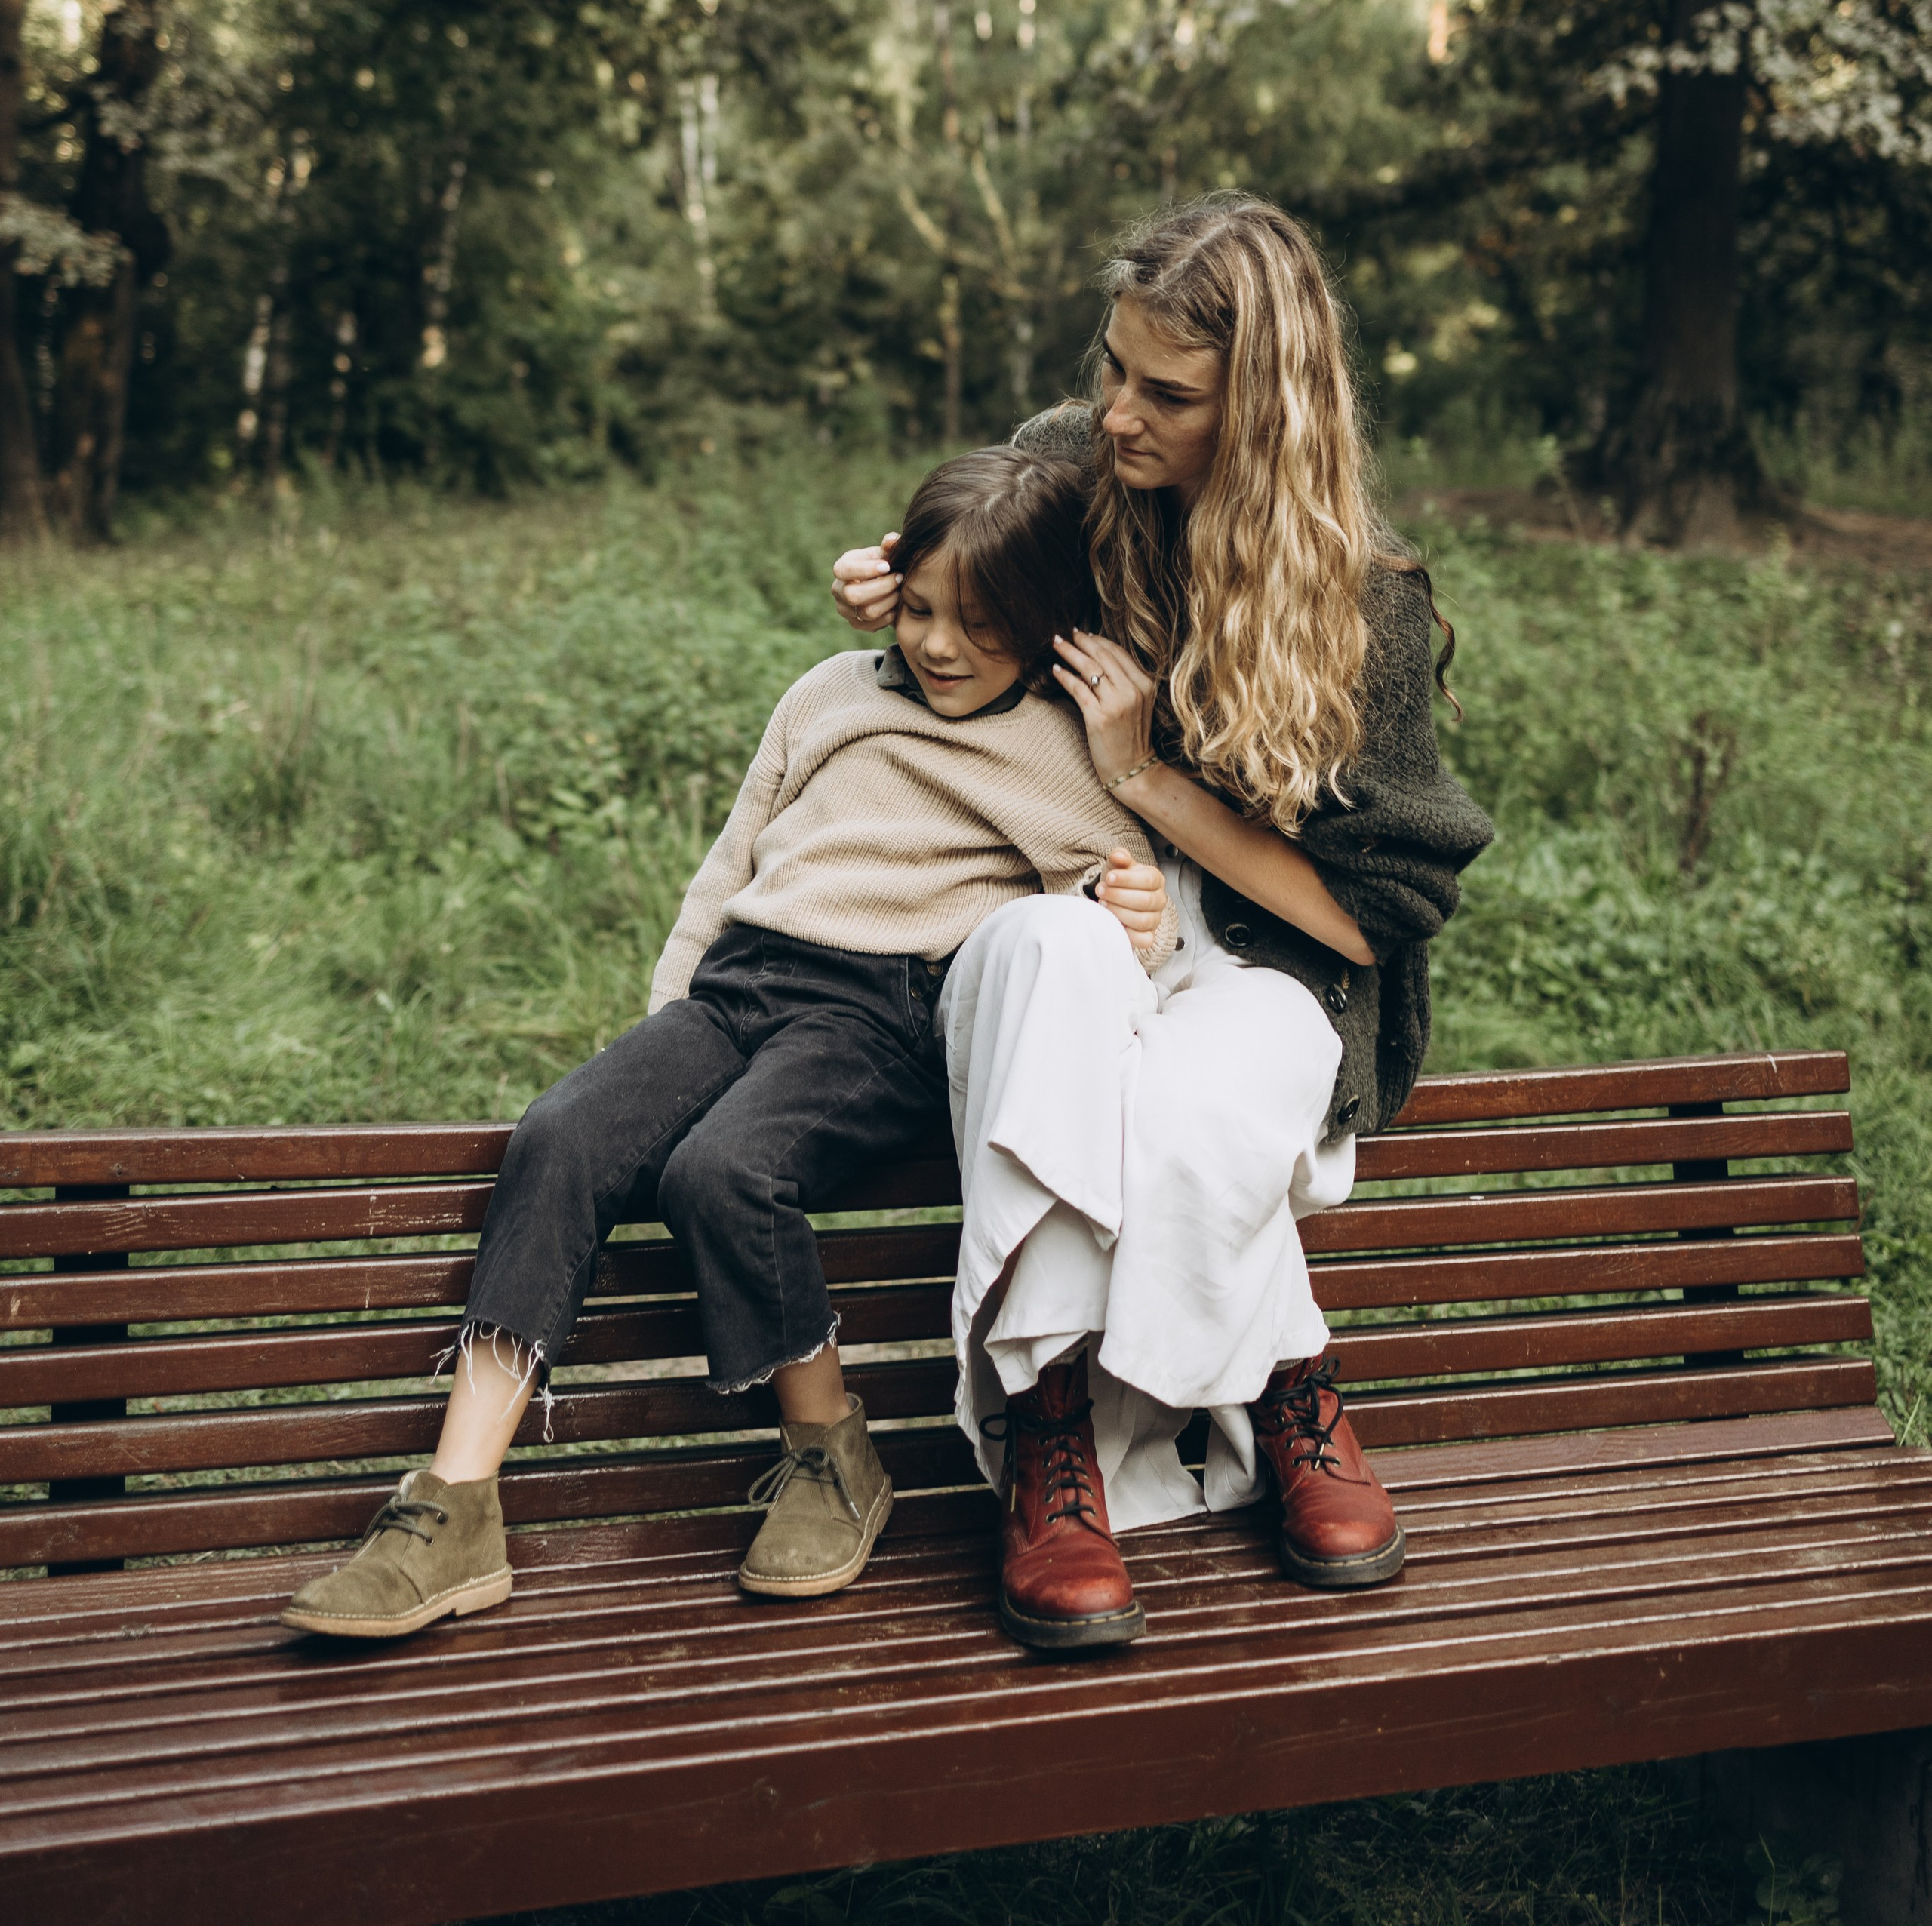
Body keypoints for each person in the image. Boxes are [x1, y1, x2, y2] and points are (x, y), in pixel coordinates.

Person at [283, 448, 1175, 1643]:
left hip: (884, 1016)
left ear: (1051, 625)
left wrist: (1146, 928)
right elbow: (729, 869)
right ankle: (453, 1507)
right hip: (739, 983)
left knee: (724, 1170)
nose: (942, 646)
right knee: (563, 1134)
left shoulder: (1067, 753)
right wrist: (665, 1037)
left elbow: (1109, 933)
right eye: (919, 611)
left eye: (984, 625)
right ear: (886, 590)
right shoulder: (826, 695)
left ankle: (829, 1456)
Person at [832, 195, 1494, 1654]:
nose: (1115, 413)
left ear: (1258, 413)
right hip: (1067, 898)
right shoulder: (1084, 463)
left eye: (1165, 394)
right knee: (1053, 971)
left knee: (1195, 1107)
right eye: (1113, 369)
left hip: (1274, 949)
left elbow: (1370, 925)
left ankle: (1278, 1383)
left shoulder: (1361, 608)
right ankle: (1060, 1431)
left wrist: (1146, 773)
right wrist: (895, 573)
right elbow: (966, 540)